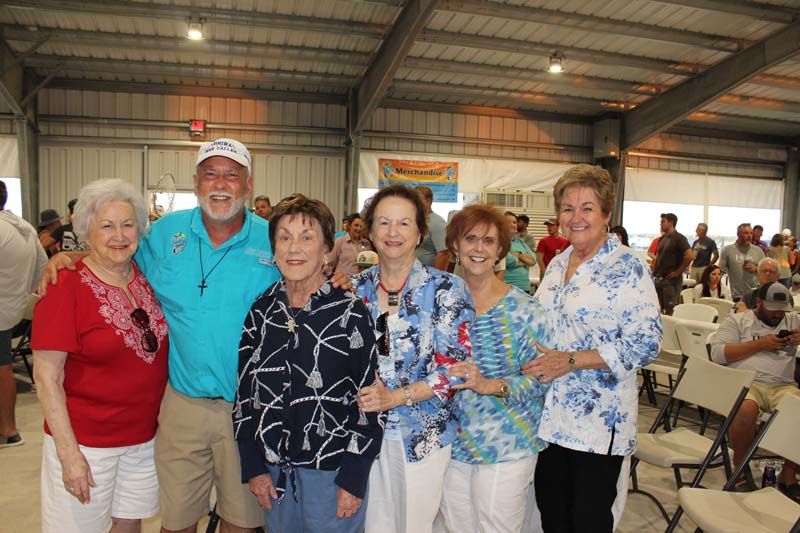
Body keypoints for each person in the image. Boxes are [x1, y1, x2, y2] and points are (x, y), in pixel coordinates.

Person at [41, 138, 282, 533]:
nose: (220, 184)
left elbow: (306, 278)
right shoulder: (166, 233)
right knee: (177, 519)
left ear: (248, 184)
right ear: (196, 182)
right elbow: (117, 255)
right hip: (181, 403)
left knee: (243, 520)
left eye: (231, 175)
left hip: (248, 407)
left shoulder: (272, 238)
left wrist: (337, 277)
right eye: (210, 174)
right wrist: (68, 258)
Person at [521, 164, 661, 532]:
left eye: (587, 208)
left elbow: (646, 342)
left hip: (599, 425)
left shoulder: (629, 266)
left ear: (606, 215)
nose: (576, 217)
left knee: (589, 521)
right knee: (552, 515)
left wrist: (571, 361)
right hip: (549, 419)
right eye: (568, 208)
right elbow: (541, 325)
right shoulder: (558, 263)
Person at [233, 194, 384, 532]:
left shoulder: (350, 312)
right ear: (273, 249)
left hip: (332, 473)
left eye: (307, 237)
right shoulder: (262, 311)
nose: (294, 248)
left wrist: (354, 477)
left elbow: (370, 399)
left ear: (327, 249)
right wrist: (253, 465)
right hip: (273, 474)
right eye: (284, 237)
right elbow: (244, 395)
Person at [31, 178, 169, 533]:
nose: (119, 235)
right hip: (87, 443)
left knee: (128, 526)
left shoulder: (145, 276)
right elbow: (46, 378)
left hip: (141, 440)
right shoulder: (64, 285)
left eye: (127, 224)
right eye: (106, 226)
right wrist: (69, 455)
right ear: (86, 230)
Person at [354, 184, 474, 533]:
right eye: (384, 223)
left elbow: (455, 370)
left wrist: (395, 397)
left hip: (422, 436)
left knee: (412, 526)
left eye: (404, 223)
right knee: (371, 525)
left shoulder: (446, 290)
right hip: (363, 433)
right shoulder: (353, 288)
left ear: (420, 231)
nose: (393, 232)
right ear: (370, 231)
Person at [438, 204, 550, 533]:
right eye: (470, 238)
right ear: (455, 245)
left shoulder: (525, 310)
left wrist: (490, 385)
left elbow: (542, 377)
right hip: (452, 443)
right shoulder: (440, 303)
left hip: (508, 442)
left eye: (488, 241)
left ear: (501, 249)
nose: (478, 248)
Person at [710, 281, 800, 502]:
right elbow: (718, 354)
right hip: (747, 382)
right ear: (759, 303)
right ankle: (740, 466)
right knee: (745, 409)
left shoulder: (793, 320)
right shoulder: (738, 321)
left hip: (783, 385)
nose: (778, 314)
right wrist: (760, 345)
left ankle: (788, 474)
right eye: (772, 308)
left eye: (782, 310)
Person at [0, 180, 47, 449]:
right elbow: (42, 272)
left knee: (2, 366)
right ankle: (7, 429)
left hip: (4, 313)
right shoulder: (25, 228)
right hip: (18, 313)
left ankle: (8, 430)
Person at [652, 213, 693, 315]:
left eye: (663, 222)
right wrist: (653, 272)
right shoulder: (662, 239)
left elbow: (690, 256)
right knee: (658, 308)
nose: (660, 224)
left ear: (671, 223)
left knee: (671, 309)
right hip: (659, 279)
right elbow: (658, 258)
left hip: (671, 281)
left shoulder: (679, 238)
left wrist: (678, 272)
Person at [720, 223, 765, 301]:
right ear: (738, 234)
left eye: (751, 233)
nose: (749, 236)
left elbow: (765, 270)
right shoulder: (728, 250)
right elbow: (721, 271)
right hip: (737, 295)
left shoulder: (758, 251)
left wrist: (756, 268)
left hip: (755, 293)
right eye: (746, 233)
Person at [414, 185, 451, 270]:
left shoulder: (437, 222)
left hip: (429, 278)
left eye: (418, 200)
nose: (414, 203)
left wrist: (437, 279)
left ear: (428, 201)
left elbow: (444, 254)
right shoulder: (417, 221)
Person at [503, 211, 536, 293]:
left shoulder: (520, 241)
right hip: (507, 286)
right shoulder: (500, 242)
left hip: (524, 286)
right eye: (509, 222)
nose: (513, 225)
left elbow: (533, 260)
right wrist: (526, 260)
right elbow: (509, 261)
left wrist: (518, 255)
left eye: (514, 222)